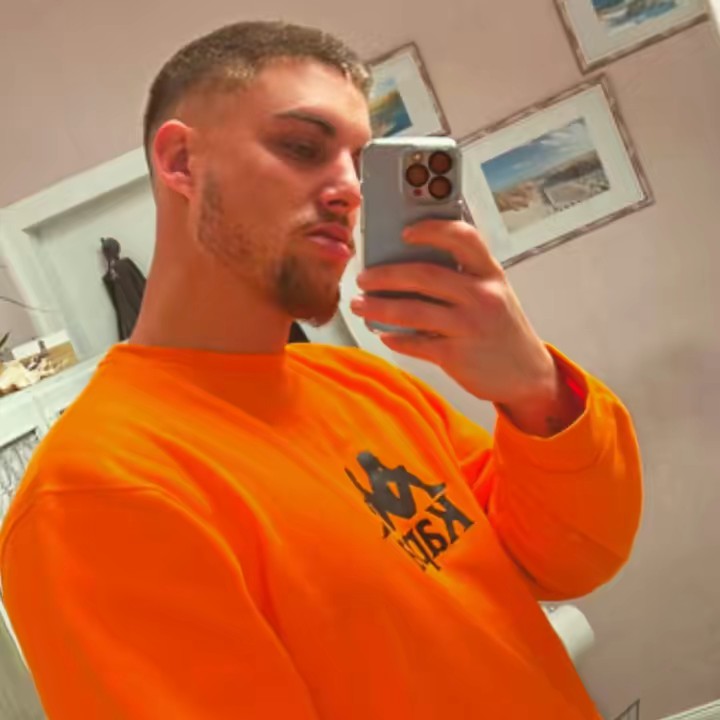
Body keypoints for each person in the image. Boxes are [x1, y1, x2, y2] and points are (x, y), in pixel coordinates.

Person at [0, 21, 642, 720]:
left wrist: (534, 389)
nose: (348, 190)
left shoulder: (363, 385)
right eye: (303, 148)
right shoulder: (95, 495)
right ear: (182, 161)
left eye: (360, 164)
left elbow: (570, 559)